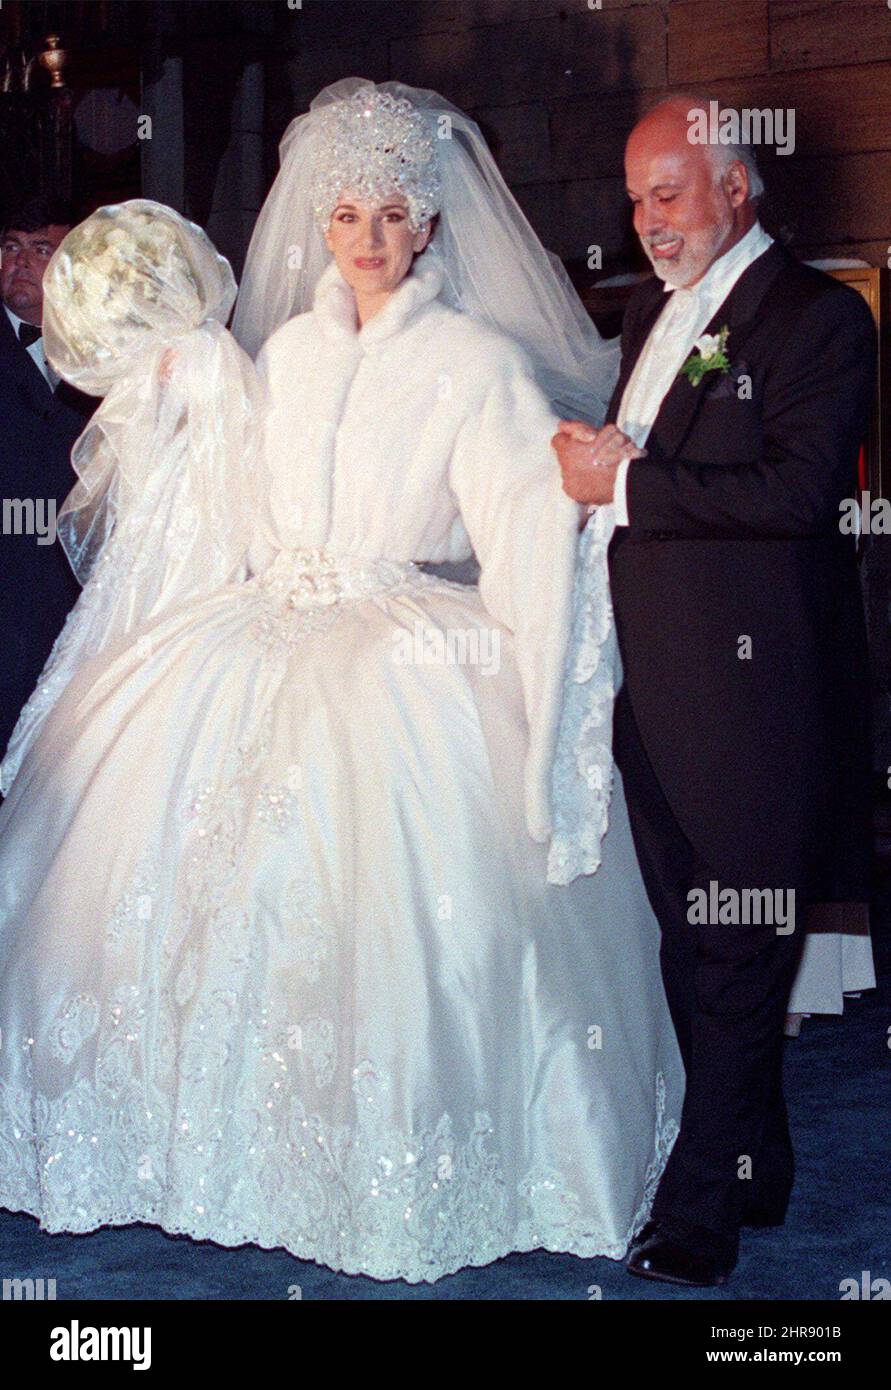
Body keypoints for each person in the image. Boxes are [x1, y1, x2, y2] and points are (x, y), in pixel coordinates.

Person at [0, 85, 682, 1284]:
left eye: (394, 214)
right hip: (252, 637)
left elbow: (524, 535)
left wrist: (540, 740)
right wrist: (177, 408)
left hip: (406, 655)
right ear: (320, 222)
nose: (369, 238)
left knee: (389, 920)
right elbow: (234, 507)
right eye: (348, 213)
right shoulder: (287, 354)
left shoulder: (477, 365)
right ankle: (185, 1153)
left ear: (429, 226)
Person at [554, 94, 876, 1287]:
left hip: (760, 702)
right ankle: (759, 1152)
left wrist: (625, 483)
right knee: (694, 951)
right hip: (655, 695)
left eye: (669, 193)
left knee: (740, 951)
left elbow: (797, 494)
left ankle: (700, 1211)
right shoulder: (651, 312)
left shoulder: (821, 317)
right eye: (636, 199)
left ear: (740, 186)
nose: (646, 221)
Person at [0, 194, 96, 756]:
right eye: (11, 247)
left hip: (76, 595)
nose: (20, 262)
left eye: (41, 250)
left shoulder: (100, 348)